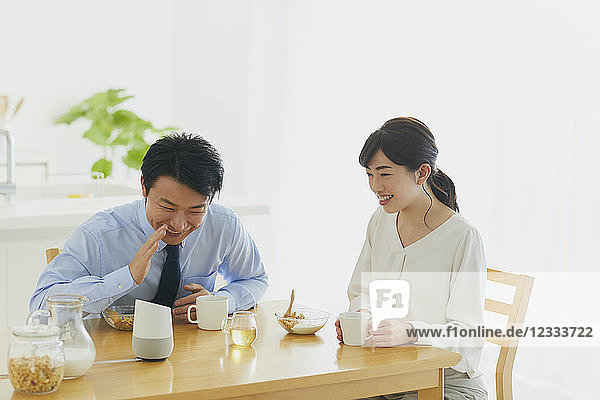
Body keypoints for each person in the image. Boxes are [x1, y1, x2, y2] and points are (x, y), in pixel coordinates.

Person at [30, 133, 268, 320]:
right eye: (168, 207)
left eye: (196, 209)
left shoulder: (224, 224)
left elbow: (255, 279)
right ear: (144, 186)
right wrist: (127, 277)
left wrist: (222, 301)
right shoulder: (99, 235)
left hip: (194, 357)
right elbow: (40, 306)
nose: (179, 224)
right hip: (117, 364)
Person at [335, 117, 487, 400]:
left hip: (445, 382)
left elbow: (470, 334)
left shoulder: (462, 236)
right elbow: (361, 290)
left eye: (384, 173)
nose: (375, 186)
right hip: (387, 375)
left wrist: (411, 332)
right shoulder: (380, 221)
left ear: (421, 173)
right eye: (369, 174)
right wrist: (361, 317)